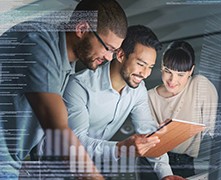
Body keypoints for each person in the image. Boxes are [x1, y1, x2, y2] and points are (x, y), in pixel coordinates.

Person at [0, 0, 127, 178]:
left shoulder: (65, 63)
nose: (109, 57)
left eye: (114, 51)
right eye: (108, 48)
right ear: (82, 29)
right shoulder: (37, 41)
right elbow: (57, 128)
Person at [63, 25, 184, 180]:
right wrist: (120, 149)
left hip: (94, 168)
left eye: (150, 67)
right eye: (141, 64)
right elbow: (75, 142)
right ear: (120, 55)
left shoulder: (138, 90)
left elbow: (148, 132)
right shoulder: (79, 86)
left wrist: (166, 175)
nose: (145, 74)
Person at [147, 41, 218, 178]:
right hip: (153, 163)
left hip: (185, 162)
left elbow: (216, 130)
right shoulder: (149, 97)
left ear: (190, 71)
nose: (172, 81)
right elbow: (150, 143)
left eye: (180, 74)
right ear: (161, 67)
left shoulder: (200, 85)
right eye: (168, 72)